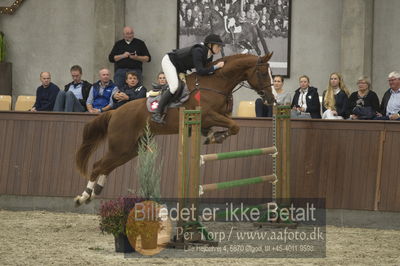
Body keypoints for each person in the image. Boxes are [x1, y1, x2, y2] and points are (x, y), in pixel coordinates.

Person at [151, 34, 225, 123]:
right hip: (169, 62)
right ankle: (157, 114)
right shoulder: (199, 51)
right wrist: (216, 67)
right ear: (210, 45)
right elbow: (201, 71)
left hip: (180, 67)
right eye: (218, 46)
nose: (219, 48)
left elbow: (206, 72)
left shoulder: (209, 56)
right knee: (174, 87)